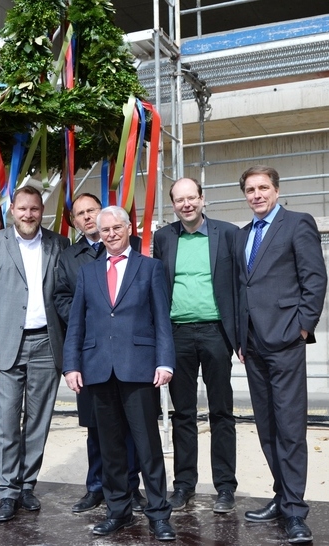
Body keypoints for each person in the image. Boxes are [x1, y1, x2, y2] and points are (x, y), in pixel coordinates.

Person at [63, 206, 176, 541]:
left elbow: (161, 319)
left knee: (147, 447)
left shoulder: (150, 267)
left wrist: (165, 361)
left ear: (129, 228)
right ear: (99, 234)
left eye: (117, 228)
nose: (111, 234)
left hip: (139, 369)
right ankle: (118, 512)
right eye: (105, 230)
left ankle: (158, 514)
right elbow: (76, 324)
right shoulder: (88, 273)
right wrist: (71, 365)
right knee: (110, 448)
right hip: (98, 369)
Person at [235, 165, 327, 544]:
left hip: (286, 340)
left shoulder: (297, 223)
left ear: (276, 190)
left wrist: (302, 327)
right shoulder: (243, 234)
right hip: (252, 345)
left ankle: (295, 512)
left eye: (263, 188)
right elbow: (243, 286)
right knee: (267, 426)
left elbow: (315, 278)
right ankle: (281, 494)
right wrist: (239, 337)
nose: (257, 195)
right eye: (250, 189)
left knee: (289, 428)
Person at [0, 185, 69, 522]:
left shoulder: (59, 244)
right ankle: (8, 491)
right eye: (22, 208)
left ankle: (27, 485)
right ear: (12, 210)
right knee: (8, 423)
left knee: (38, 421)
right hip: (5, 345)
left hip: (47, 344)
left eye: (34, 209)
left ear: (42, 211)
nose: (28, 214)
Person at [54, 193, 147, 514]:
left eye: (91, 210)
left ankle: (130, 487)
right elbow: (61, 297)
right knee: (96, 424)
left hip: (129, 351)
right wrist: (90, 318)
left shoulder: (135, 246)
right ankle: (96, 486)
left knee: (131, 424)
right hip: (92, 351)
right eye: (80, 214)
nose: (87, 217)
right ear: (74, 222)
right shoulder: (70, 257)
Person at [153, 177, 238, 513]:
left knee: (221, 412)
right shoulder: (163, 238)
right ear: (173, 204)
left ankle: (225, 487)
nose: (186, 204)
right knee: (183, 414)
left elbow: (239, 286)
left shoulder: (228, 234)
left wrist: (240, 338)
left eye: (192, 198)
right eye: (179, 200)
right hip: (178, 335)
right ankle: (184, 485)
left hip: (217, 333)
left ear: (203, 199)